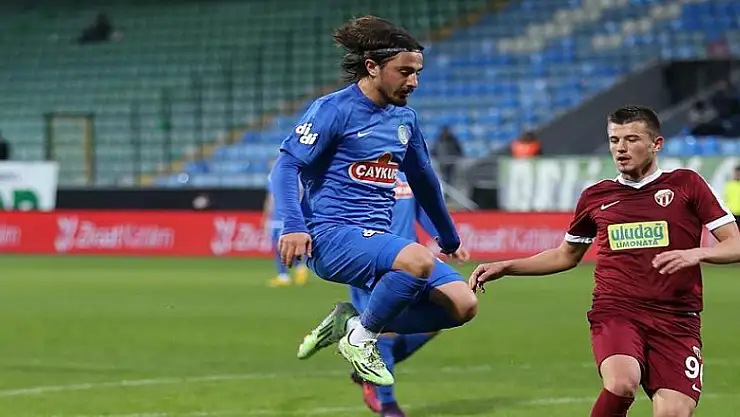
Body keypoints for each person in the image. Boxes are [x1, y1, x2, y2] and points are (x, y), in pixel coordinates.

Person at [469, 105, 740, 417]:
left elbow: (735, 244)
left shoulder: (686, 184)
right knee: (622, 383)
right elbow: (565, 255)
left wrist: (697, 253)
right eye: (614, 140)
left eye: (631, 139)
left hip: (677, 318)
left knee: (673, 413)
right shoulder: (596, 197)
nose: (621, 148)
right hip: (618, 310)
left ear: (656, 144)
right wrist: (506, 266)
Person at [270, 16, 476, 387]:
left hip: (378, 238)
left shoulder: (405, 119)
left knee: (462, 305)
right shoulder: (334, 109)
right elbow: (286, 166)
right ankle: (361, 338)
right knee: (417, 260)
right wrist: (294, 224)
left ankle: (351, 322)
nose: (413, 82)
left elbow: (424, 180)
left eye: (417, 73)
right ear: (372, 67)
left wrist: (448, 235)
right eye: (404, 72)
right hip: (331, 236)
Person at [350, 170, 440, 416]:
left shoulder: (409, 169)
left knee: (437, 319)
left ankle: (367, 369)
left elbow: (421, 208)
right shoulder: (359, 168)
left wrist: (442, 237)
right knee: (386, 330)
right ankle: (388, 405)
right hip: (373, 258)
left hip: (411, 260)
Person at [262, 178, 308, 287]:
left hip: (280, 217)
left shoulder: (273, 177)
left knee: (279, 247)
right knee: (289, 245)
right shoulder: (298, 177)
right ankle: (298, 267)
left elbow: (271, 199)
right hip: (290, 217)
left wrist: (266, 216)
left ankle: (284, 275)